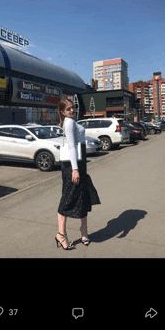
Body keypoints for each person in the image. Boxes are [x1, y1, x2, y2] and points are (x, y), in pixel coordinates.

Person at [55, 98, 101, 250]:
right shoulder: (68, 122)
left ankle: (84, 231)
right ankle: (61, 235)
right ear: (62, 111)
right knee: (68, 199)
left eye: (73, 107)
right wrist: (75, 169)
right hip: (73, 165)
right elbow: (71, 147)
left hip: (79, 163)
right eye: (68, 109)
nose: (72, 111)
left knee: (83, 197)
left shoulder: (71, 121)